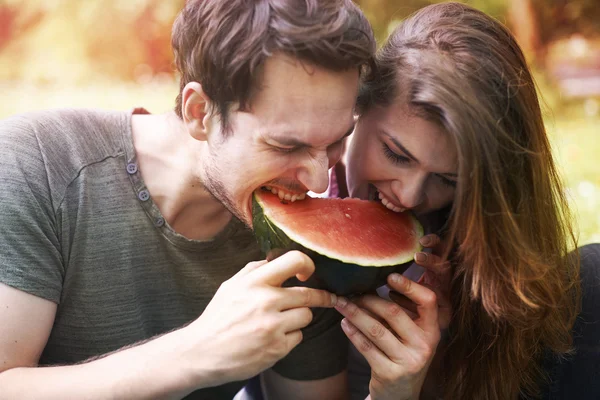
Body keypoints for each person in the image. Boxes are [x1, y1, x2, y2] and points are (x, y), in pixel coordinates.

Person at [0, 1, 376, 399]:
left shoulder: (295, 252)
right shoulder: (38, 164)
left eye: (337, 141)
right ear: (200, 112)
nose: (319, 180)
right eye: (286, 145)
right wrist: (195, 353)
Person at [331, 3, 598, 399]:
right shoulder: (284, 196)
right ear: (358, 105)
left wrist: (442, 357)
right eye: (396, 154)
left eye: (446, 179)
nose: (409, 195)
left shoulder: (480, 253)